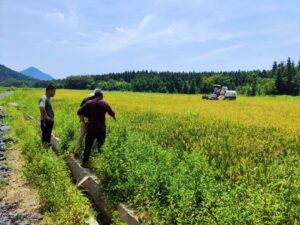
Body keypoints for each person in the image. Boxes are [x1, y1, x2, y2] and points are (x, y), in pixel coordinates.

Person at [77, 89, 116, 168]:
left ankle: (84, 163)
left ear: (95, 95)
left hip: (91, 128)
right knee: (101, 146)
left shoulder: (89, 103)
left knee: (88, 146)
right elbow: (112, 113)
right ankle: (100, 165)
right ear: (101, 96)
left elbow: (79, 112)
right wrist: (115, 118)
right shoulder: (105, 103)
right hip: (101, 129)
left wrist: (84, 122)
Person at [74, 90, 97, 156]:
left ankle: (77, 151)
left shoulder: (85, 99)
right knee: (92, 137)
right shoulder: (94, 102)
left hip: (83, 118)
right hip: (89, 120)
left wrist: (82, 120)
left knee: (81, 135)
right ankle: (90, 153)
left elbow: (79, 111)